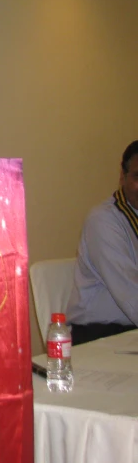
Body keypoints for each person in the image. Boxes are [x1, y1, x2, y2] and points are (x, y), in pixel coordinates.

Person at [67, 140, 138, 345]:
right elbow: (131, 294)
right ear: (122, 178)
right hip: (99, 336)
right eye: (137, 176)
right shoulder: (104, 220)